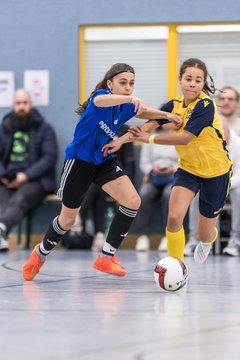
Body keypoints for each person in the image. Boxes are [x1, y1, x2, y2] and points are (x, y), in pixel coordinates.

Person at [22, 62, 182, 280]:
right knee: (67, 220)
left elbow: (144, 112)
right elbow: (101, 100)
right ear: (110, 83)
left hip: (104, 159)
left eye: (131, 84)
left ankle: (106, 256)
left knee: (133, 200)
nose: (128, 87)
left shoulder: (125, 106)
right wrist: (129, 99)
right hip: (79, 161)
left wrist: (167, 115)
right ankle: (40, 254)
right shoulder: (101, 98)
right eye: (123, 83)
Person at [103, 58, 233, 264]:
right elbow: (147, 126)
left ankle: (208, 239)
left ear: (202, 84)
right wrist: (120, 141)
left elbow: (184, 138)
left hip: (216, 172)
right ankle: (177, 265)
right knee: (174, 218)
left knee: (204, 233)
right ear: (180, 80)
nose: (192, 83)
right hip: (188, 170)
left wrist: (151, 139)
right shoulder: (173, 105)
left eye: (198, 80)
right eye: (188, 78)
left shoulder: (206, 105)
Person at [0, 89, 58, 251]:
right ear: (13, 106)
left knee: (21, 198)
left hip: (36, 181)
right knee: (2, 202)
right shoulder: (4, 128)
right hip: (7, 180)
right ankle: (2, 234)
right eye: (18, 103)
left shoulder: (44, 129)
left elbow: (49, 158)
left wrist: (25, 175)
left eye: (25, 103)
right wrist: (4, 176)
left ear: (30, 105)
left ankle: (2, 228)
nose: (21, 107)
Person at [185, 116, 240, 257]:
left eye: (222, 131)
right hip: (209, 183)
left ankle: (236, 241)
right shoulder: (203, 143)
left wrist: (221, 184)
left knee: (239, 193)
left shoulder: (237, 145)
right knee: (196, 193)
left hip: (232, 185)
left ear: (228, 131)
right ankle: (195, 240)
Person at [134, 128, 178, 251]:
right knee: (144, 193)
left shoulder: (180, 136)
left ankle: (167, 236)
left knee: (169, 194)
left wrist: (173, 168)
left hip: (174, 178)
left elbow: (184, 161)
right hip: (154, 178)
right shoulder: (150, 137)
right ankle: (142, 236)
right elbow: (144, 162)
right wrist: (153, 169)